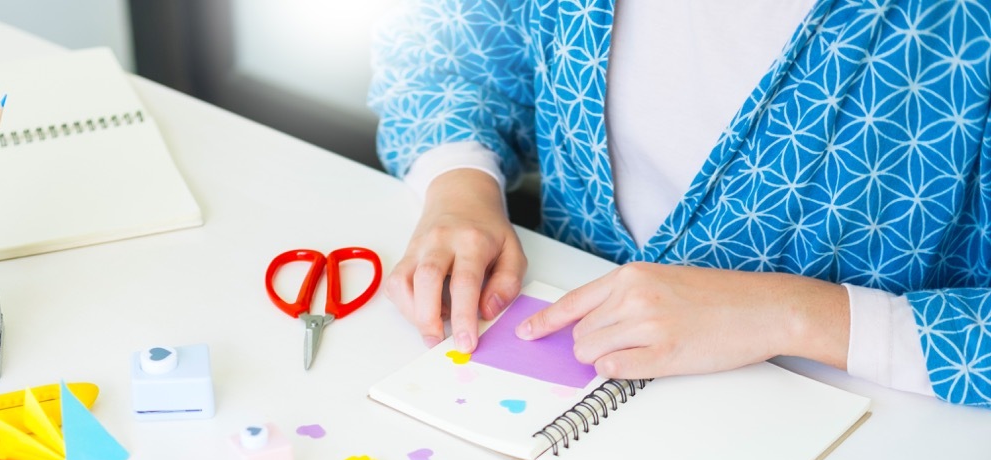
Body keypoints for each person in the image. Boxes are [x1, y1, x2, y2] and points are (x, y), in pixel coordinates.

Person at [368, 0, 991, 407]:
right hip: (571, 384)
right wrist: (459, 184)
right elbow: (449, 44)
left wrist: (797, 315)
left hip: (872, 428)